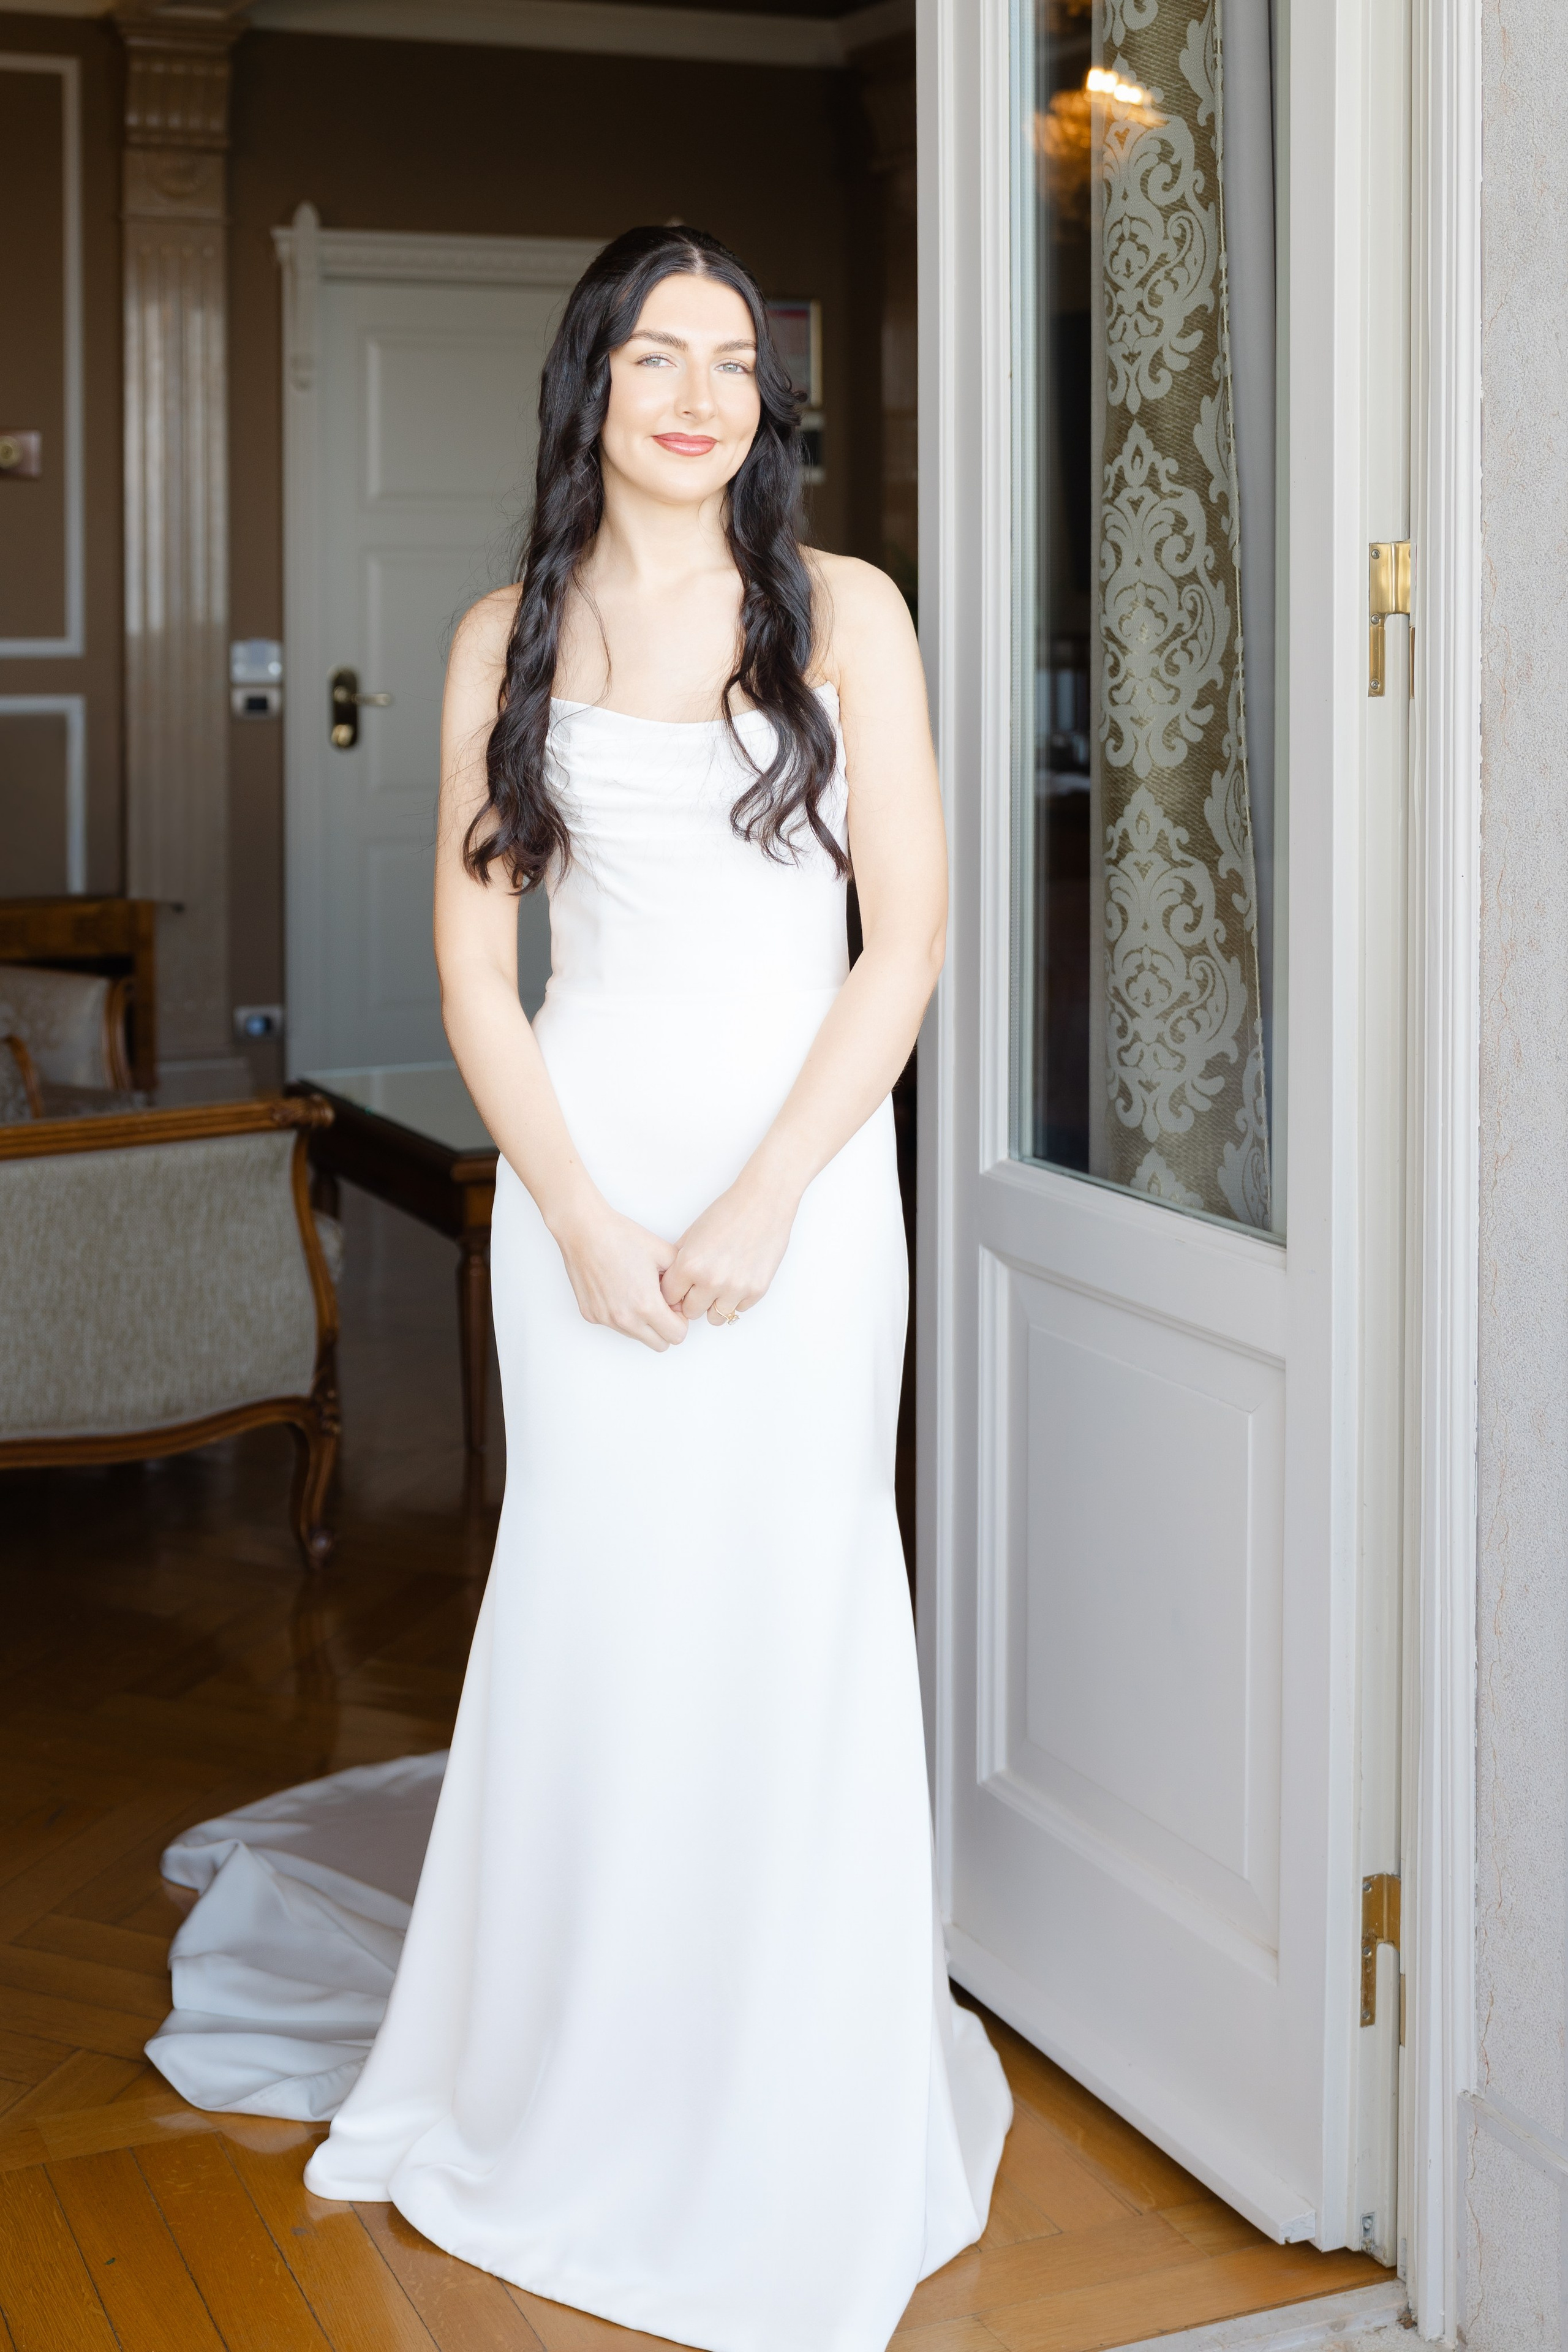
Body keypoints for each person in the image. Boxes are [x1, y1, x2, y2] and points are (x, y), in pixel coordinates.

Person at [301, 224, 1011, 2350]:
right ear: (590, 387)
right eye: (657, 357)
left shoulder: (848, 616)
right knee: (603, 1618)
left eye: (736, 360)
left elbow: (904, 946)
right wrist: (584, 1219)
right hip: (581, 1192)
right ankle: (578, 2086)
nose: (703, 393)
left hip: (804, 1201)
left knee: (788, 1614)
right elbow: (473, 973)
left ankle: (790, 2092)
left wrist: (773, 1199)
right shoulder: (497, 637)